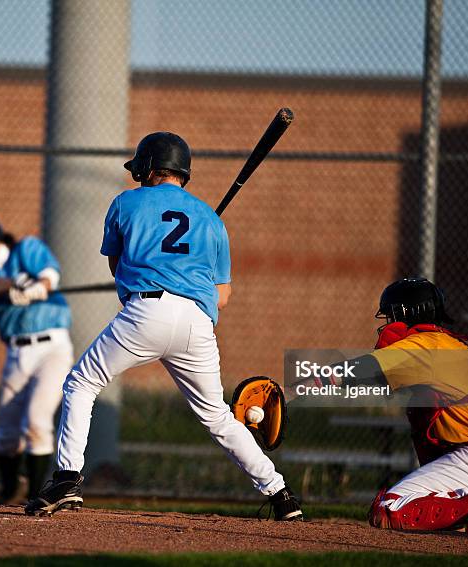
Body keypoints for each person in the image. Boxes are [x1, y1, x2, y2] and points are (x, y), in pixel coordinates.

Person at [24, 132, 303, 521]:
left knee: (81, 383)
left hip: (146, 311)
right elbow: (222, 296)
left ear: (150, 168)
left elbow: (116, 266)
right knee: (217, 417)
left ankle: (67, 479)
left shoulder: (125, 201)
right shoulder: (209, 219)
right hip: (197, 323)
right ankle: (282, 495)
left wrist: (145, 272)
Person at [289, 277, 468, 534]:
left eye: (392, 314)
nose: (389, 323)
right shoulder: (465, 347)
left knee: (388, 509)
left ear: (408, 313)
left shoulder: (423, 344)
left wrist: (294, 390)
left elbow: (363, 368)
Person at [0, 211, 74, 504]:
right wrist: (16, 287)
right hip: (17, 352)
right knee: (7, 432)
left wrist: (39, 288)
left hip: (53, 348)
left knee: (37, 419)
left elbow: (50, 273)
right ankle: (9, 491)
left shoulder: (26, 249)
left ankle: (37, 495)